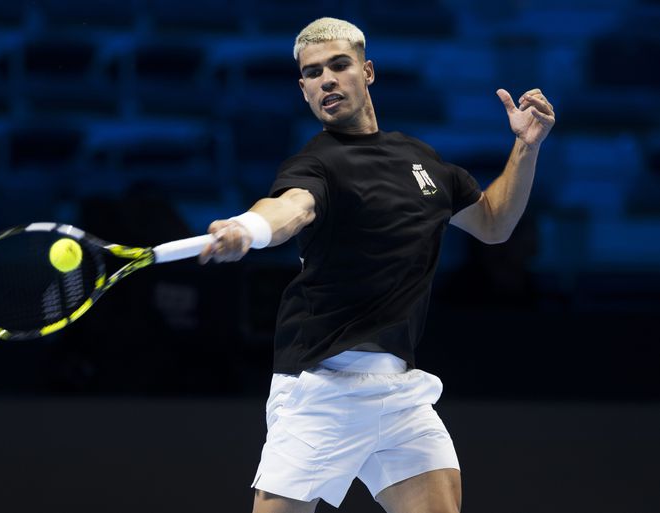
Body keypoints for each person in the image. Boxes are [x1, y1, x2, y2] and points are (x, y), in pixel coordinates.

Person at [199, 17, 555, 513]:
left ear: (367, 72)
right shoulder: (316, 164)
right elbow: (292, 207)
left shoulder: (423, 162)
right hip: (322, 384)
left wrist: (526, 147)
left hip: (399, 390)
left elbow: (494, 223)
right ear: (303, 89)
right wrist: (251, 229)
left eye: (339, 65)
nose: (326, 79)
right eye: (313, 72)